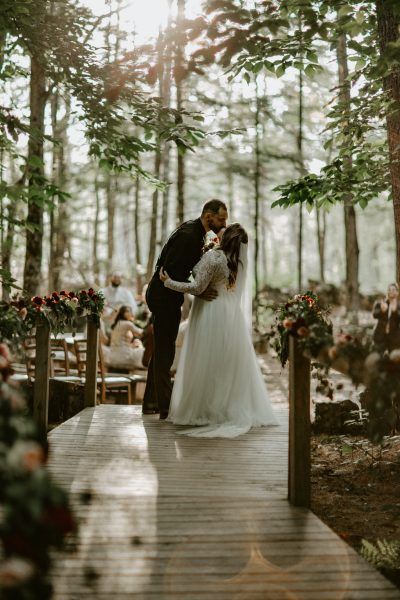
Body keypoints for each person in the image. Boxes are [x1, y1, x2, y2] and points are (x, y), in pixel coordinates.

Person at [159, 223, 278, 437]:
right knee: (225, 363)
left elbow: (197, 288)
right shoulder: (238, 262)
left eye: (225, 228)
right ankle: (224, 407)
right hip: (230, 314)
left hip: (210, 312)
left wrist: (169, 283)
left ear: (227, 236)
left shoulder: (214, 257)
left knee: (206, 360)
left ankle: (206, 409)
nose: (220, 229)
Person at [142, 199, 228, 418]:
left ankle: (151, 402)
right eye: (221, 219)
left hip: (168, 296)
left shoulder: (196, 232)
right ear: (209, 216)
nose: (223, 223)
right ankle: (164, 407)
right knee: (165, 351)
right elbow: (169, 273)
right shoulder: (189, 236)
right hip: (163, 297)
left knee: (162, 348)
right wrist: (197, 289)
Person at [102, 306, 144, 371]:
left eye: (130, 311)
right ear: (123, 313)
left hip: (113, 355)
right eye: (128, 311)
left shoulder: (117, 324)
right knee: (142, 352)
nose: (130, 313)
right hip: (123, 355)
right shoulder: (127, 323)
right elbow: (141, 333)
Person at [372, 283, 400, 353]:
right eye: (389, 290)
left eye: (393, 290)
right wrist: (382, 311)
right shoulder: (381, 303)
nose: (391, 291)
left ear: (397, 292)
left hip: (394, 338)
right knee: (378, 357)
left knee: (393, 358)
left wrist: (395, 312)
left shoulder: (399, 306)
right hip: (380, 336)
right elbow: (374, 315)